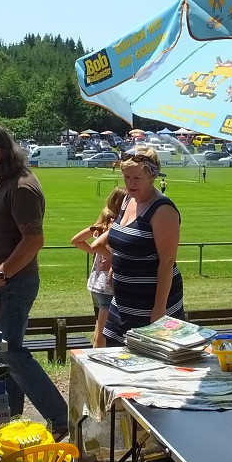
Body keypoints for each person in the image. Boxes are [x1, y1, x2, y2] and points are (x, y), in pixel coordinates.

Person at [0, 124, 69, 439]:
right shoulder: (3, 179)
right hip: (7, 282)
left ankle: (60, 416)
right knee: (4, 352)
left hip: (14, 283)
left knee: (10, 351)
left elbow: (34, 240)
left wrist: (1, 275)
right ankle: (11, 421)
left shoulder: (21, 186)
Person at [94, 145, 184, 345]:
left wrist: (159, 310)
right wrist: (114, 265)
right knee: (114, 353)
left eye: (136, 178)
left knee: (151, 366)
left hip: (150, 304)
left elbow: (167, 262)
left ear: (152, 176)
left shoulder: (163, 210)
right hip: (122, 301)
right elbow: (122, 240)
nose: (130, 183)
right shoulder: (127, 200)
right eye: (126, 177)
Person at [70, 187, 126, 348]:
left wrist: (94, 253)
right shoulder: (116, 225)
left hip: (96, 284)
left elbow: (76, 240)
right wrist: (109, 256)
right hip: (107, 286)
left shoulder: (101, 224)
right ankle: (94, 365)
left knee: (99, 328)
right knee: (102, 336)